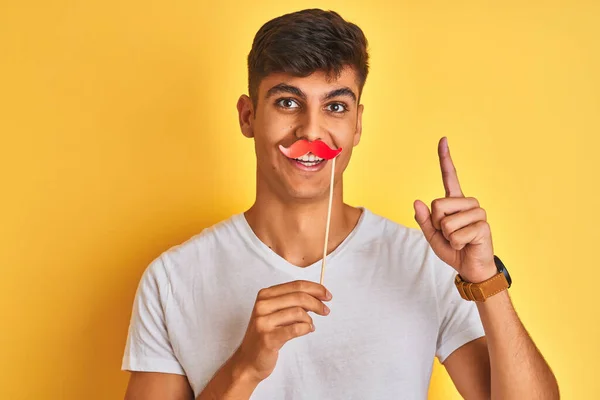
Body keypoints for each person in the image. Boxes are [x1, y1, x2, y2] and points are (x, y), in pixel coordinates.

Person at [122, 8, 559, 400]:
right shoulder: (172, 280)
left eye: (334, 106)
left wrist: (485, 279)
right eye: (288, 102)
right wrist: (245, 369)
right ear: (248, 116)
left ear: (357, 123)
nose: (311, 132)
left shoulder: (424, 264)